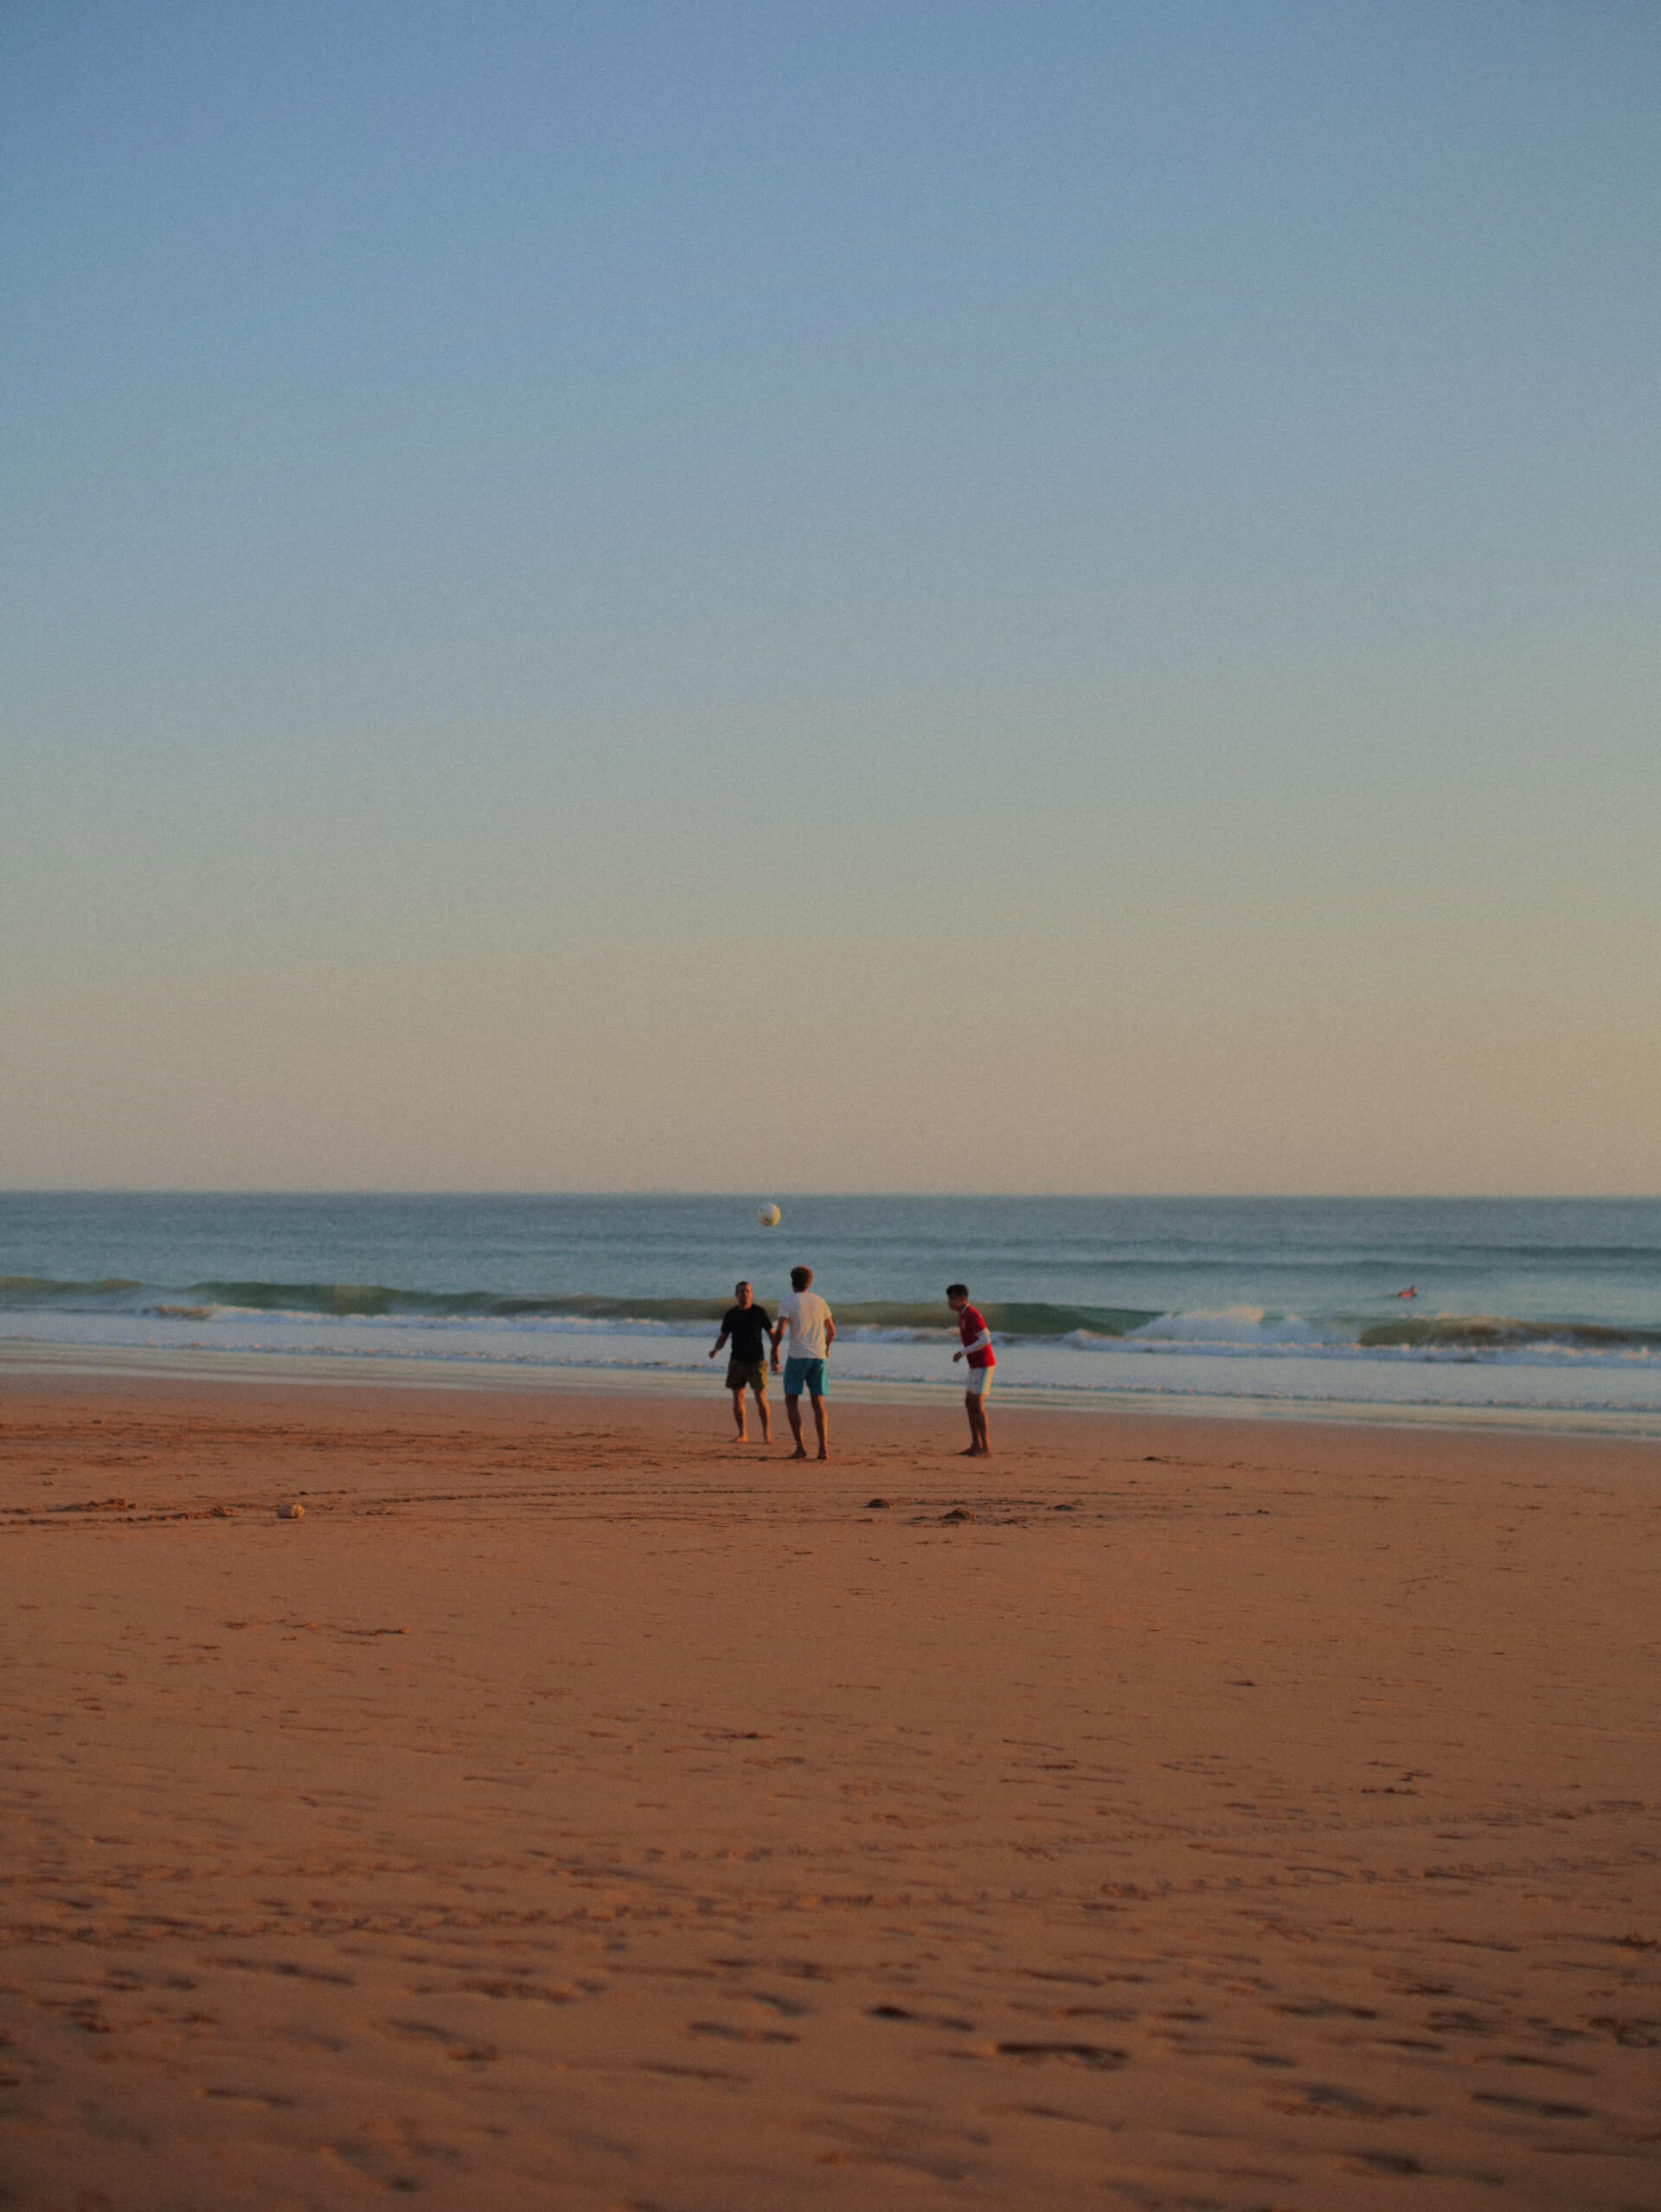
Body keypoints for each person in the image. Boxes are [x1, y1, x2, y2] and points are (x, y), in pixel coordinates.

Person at [771, 1264, 835, 1460]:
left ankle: (801, 1447)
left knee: (791, 1400)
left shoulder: (788, 1302)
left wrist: (774, 1351)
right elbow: (831, 1331)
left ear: (793, 1282)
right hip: (818, 1357)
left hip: (798, 1357)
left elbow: (781, 1330)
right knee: (818, 1403)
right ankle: (823, 1449)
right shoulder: (820, 1301)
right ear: (810, 1282)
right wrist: (826, 1347)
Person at [709, 1280, 772, 1442]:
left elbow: (772, 1334)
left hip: (757, 1360)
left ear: (751, 1294)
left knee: (760, 1397)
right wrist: (716, 1349)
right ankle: (742, 1433)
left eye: (748, 1291)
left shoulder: (759, 1312)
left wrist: (775, 1354)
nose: (745, 1294)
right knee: (738, 1398)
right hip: (737, 1361)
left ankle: (766, 1434)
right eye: (742, 1291)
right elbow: (723, 1336)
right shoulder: (731, 1314)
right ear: (736, 1295)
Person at [946, 1282, 994, 1456]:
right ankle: (975, 1444)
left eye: (953, 1298)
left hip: (984, 1363)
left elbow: (986, 1339)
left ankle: (986, 1448)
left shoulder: (972, 1314)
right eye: (949, 1298)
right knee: (969, 1403)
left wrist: (963, 1352)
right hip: (974, 1364)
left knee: (977, 1404)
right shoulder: (962, 1315)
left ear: (963, 1299)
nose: (950, 1302)